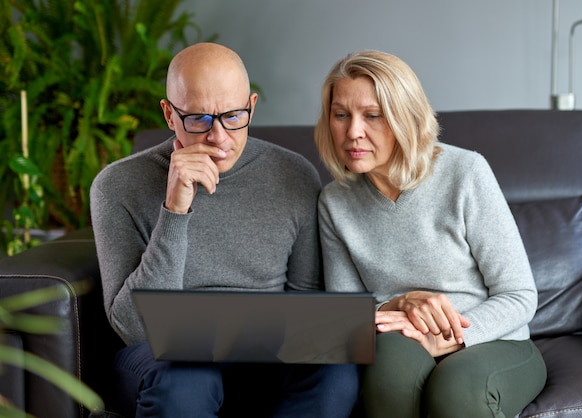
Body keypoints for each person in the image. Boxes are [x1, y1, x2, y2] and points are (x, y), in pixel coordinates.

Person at [90, 42, 359, 418]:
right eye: (198, 119)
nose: (218, 137)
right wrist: (174, 209)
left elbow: (306, 306)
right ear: (169, 114)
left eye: (233, 117)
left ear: (251, 106)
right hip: (163, 359)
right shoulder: (118, 185)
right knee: (186, 381)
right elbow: (134, 328)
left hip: (265, 356)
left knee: (337, 373)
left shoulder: (294, 175)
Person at [314, 49, 547, 418]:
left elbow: (519, 295)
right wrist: (394, 306)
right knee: (388, 371)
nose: (353, 131)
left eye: (372, 116)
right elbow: (344, 316)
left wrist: (451, 339)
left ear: (404, 117)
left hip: (493, 338)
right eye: (341, 115)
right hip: (399, 339)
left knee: (456, 390)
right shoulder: (334, 202)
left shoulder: (465, 172)